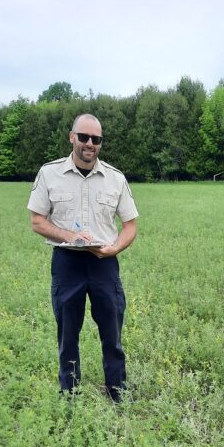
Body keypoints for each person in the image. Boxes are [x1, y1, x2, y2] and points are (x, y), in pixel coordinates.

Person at [28, 113, 139, 402]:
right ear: (71, 137)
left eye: (96, 139)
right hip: (67, 263)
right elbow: (37, 221)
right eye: (84, 137)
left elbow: (130, 226)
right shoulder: (50, 173)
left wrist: (114, 249)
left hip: (104, 263)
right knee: (68, 333)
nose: (90, 144)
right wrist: (68, 235)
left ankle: (117, 391)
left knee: (112, 330)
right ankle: (70, 394)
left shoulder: (115, 178)